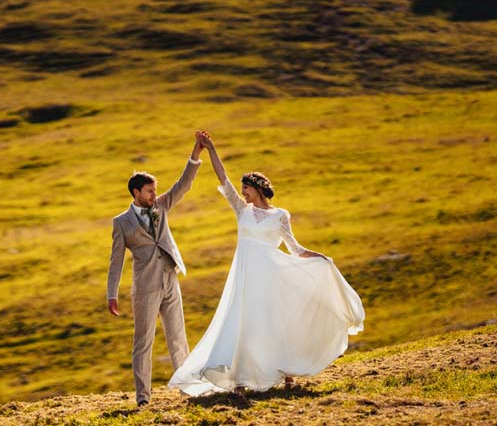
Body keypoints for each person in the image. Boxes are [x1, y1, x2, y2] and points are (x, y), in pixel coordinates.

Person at [168, 131, 364, 397]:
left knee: (277, 323)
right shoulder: (241, 210)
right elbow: (222, 177)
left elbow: (294, 248)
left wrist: (321, 258)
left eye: (246, 188)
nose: (242, 193)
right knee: (243, 326)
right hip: (246, 279)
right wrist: (210, 148)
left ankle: (288, 377)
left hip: (271, 278)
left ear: (257, 188)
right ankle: (239, 382)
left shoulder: (280, 215)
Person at [107, 134, 205, 407]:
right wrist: (111, 295)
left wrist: (195, 154)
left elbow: (182, 185)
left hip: (170, 280)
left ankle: (187, 390)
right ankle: (143, 398)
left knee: (178, 338)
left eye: (155, 190)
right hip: (145, 288)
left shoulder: (161, 206)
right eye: (149, 191)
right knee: (143, 343)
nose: (154, 195)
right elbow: (115, 261)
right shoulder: (122, 223)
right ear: (136, 193)